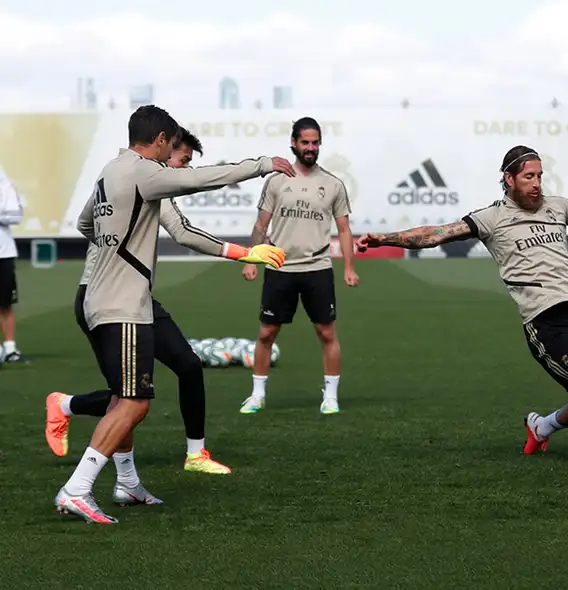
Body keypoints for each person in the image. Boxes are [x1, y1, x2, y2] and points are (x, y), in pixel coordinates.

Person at [54, 105, 294, 525]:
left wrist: (116, 247)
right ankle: (77, 488)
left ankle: (127, 483)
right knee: (134, 403)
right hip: (123, 305)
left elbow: (85, 224)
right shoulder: (145, 172)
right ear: (161, 139)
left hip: (101, 298)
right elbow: (201, 179)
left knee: (123, 398)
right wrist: (261, 165)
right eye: (170, 147)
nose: (171, 157)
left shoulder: (109, 172)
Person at [356, 145, 568, 479]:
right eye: (528, 177)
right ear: (509, 179)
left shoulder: (559, 207)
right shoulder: (492, 218)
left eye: (539, 176)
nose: (536, 184)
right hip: (543, 321)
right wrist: (384, 239)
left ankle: (542, 427)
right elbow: (435, 234)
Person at [46, 128, 237, 478]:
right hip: (103, 297)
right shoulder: (145, 179)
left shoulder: (141, 181)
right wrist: (243, 252)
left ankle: (195, 454)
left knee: (186, 366)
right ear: (164, 149)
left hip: (135, 298)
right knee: (127, 399)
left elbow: (87, 223)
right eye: (183, 161)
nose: (184, 170)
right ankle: (103, 468)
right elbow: (184, 233)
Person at [239, 116, 358, 415]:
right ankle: (257, 395)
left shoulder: (332, 184)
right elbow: (261, 225)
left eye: (315, 143)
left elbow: (344, 230)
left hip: (318, 268)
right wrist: (251, 260)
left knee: (326, 333)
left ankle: (331, 396)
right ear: (293, 143)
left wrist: (349, 267)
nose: (310, 147)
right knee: (266, 333)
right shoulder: (276, 181)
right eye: (305, 142)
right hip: (280, 267)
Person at [0, 165, 26, 363]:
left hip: (3, 253)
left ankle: (9, 348)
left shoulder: (4, 183)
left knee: (5, 302)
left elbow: (16, 214)